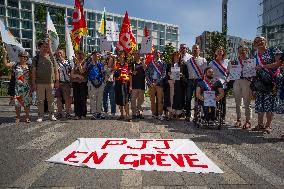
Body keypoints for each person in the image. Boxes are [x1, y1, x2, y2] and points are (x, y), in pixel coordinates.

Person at [252, 36, 282, 134]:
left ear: (266, 41)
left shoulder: (273, 50)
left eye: (262, 40)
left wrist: (264, 66)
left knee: (270, 103)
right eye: (257, 41)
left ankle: (268, 126)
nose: (259, 42)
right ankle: (260, 124)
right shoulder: (255, 55)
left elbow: (279, 63)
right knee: (260, 103)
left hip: (272, 81)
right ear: (255, 44)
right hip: (260, 82)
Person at [32, 40, 59, 122]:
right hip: (39, 83)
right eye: (43, 46)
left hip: (50, 83)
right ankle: (40, 116)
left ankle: (52, 115)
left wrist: (57, 81)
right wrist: (33, 83)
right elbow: (33, 71)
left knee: (51, 100)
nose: (45, 48)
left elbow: (56, 70)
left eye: (46, 46)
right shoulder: (36, 58)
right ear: (39, 48)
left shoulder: (52, 57)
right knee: (40, 100)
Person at [3, 50, 32, 124]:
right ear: (19, 57)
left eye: (26, 57)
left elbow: (32, 77)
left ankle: (27, 117)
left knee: (26, 103)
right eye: (22, 56)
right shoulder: (15, 64)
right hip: (17, 87)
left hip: (26, 87)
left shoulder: (29, 66)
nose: (24, 58)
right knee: (17, 103)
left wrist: (32, 86)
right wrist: (5, 54)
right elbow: (6, 64)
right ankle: (18, 117)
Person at [231, 46, 252, 129]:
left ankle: (248, 121)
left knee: (247, 102)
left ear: (246, 50)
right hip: (236, 81)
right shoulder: (234, 61)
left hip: (246, 81)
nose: (241, 52)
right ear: (238, 52)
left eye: (243, 50)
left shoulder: (250, 61)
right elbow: (230, 71)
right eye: (239, 50)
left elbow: (253, 71)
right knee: (238, 102)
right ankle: (238, 120)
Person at [185, 44, 207, 121]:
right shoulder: (188, 61)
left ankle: (196, 116)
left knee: (198, 99)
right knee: (188, 98)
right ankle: (188, 115)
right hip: (190, 81)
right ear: (192, 50)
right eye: (193, 48)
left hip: (199, 81)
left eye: (196, 48)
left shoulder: (204, 60)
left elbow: (205, 73)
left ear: (199, 50)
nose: (195, 50)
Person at [208, 47, 229, 121]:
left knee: (223, 101)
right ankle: (215, 116)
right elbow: (209, 73)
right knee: (215, 99)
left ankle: (222, 117)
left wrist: (228, 79)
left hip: (224, 83)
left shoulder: (227, 61)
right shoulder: (211, 63)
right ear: (215, 52)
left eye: (221, 51)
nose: (220, 52)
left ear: (223, 52)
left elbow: (230, 72)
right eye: (218, 51)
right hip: (214, 84)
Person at [146, 50, 167, 120]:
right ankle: (153, 114)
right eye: (155, 53)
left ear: (160, 54)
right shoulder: (150, 63)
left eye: (158, 53)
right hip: (151, 84)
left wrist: (156, 82)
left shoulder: (163, 63)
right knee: (152, 100)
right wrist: (149, 82)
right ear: (153, 54)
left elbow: (164, 74)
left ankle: (160, 114)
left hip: (159, 84)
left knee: (160, 100)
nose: (157, 54)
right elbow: (147, 74)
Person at [85, 51, 105, 120]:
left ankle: (99, 113)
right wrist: (92, 62)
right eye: (96, 55)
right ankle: (93, 113)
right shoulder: (88, 63)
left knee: (99, 98)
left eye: (98, 55)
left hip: (100, 82)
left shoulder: (100, 63)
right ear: (92, 55)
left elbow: (103, 72)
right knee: (92, 98)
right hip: (91, 82)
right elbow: (86, 69)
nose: (98, 56)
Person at [55, 49, 73, 119]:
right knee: (58, 99)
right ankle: (60, 113)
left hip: (66, 83)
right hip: (57, 83)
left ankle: (68, 112)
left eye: (61, 53)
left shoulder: (68, 62)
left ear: (64, 54)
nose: (59, 54)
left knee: (67, 99)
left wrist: (71, 82)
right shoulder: (55, 62)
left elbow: (71, 72)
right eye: (58, 53)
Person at [114, 51, 131, 121]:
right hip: (118, 83)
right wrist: (115, 61)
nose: (121, 56)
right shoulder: (116, 64)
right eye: (119, 55)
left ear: (124, 56)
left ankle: (127, 115)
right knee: (119, 100)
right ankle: (121, 115)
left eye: (122, 55)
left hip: (125, 84)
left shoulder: (127, 65)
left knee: (126, 100)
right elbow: (114, 71)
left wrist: (131, 86)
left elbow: (130, 75)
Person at [71, 51, 88, 120]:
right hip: (75, 83)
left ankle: (83, 114)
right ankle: (77, 114)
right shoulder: (74, 63)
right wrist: (77, 75)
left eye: (76, 55)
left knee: (83, 99)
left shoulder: (85, 63)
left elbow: (82, 71)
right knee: (76, 99)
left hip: (83, 83)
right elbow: (71, 74)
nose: (75, 56)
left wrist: (78, 63)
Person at [130, 51, 146, 119]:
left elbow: (146, 70)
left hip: (141, 84)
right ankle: (134, 113)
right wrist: (132, 72)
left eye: (138, 54)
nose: (136, 55)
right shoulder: (132, 64)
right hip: (134, 85)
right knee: (133, 100)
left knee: (141, 100)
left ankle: (139, 112)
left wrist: (143, 63)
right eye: (135, 54)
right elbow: (129, 73)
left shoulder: (143, 63)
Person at [171, 51, 187, 118]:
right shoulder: (170, 64)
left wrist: (182, 75)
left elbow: (186, 77)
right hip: (171, 84)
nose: (176, 57)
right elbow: (166, 74)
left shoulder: (183, 65)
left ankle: (179, 113)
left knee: (179, 98)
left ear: (180, 57)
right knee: (172, 97)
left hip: (180, 84)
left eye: (178, 55)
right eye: (175, 55)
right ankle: (172, 112)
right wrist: (169, 74)